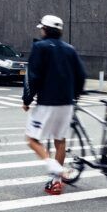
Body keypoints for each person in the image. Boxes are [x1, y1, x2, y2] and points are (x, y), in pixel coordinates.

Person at [22, 13, 87, 194]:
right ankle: (56, 182)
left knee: (32, 139)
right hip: (66, 103)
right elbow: (81, 76)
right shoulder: (70, 49)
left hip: (47, 103)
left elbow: (33, 77)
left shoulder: (40, 47)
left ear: (44, 29)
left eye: (42, 28)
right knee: (60, 142)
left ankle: (56, 169)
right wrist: (75, 96)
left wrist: (27, 100)